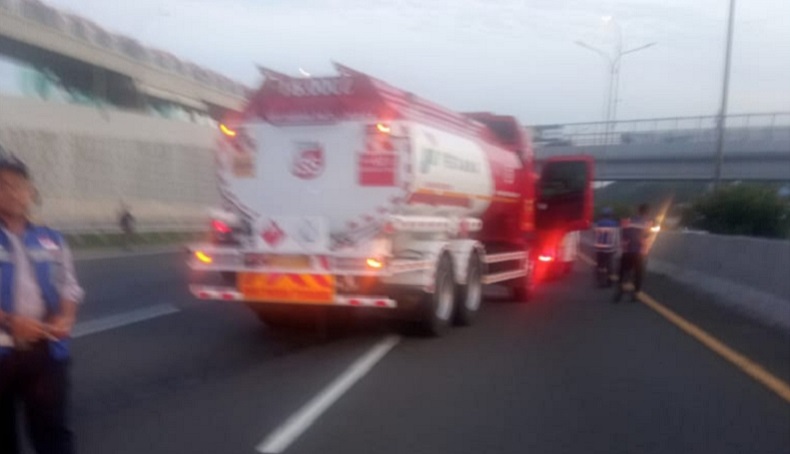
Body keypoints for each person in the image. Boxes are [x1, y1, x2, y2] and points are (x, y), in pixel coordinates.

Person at [0, 152, 84, 454]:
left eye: (19, 185)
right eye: (3, 185)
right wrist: (11, 321)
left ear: (31, 192)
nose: (12, 192)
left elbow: (69, 286)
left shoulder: (52, 238)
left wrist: (65, 317)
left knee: (53, 436)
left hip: (45, 352)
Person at [614, 203, 652, 303]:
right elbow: (647, 237)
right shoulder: (648, 222)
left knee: (624, 271)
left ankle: (621, 289)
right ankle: (636, 293)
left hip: (628, 251)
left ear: (637, 210)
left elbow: (623, 234)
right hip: (640, 253)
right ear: (647, 212)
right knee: (639, 273)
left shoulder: (629, 220)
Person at [593, 207, 619, 287]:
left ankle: (600, 282)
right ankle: (609, 281)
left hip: (599, 248)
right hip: (609, 248)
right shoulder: (614, 224)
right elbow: (616, 237)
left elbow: (595, 234)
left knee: (600, 266)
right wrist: (616, 248)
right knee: (609, 265)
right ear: (611, 215)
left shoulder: (598, 223)